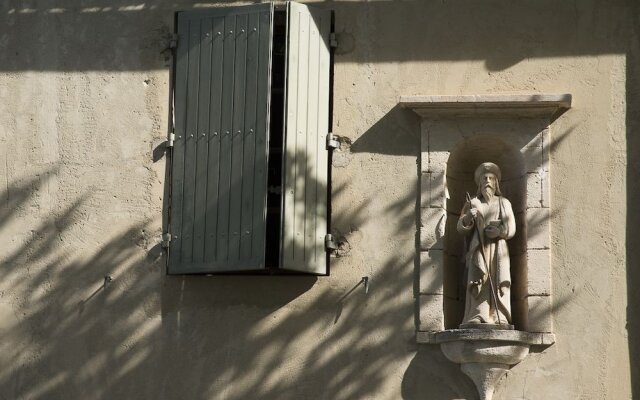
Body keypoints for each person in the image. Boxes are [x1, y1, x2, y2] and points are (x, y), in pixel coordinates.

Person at [457, 162, 516, 326]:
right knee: (479, 277)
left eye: (491, 178)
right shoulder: (473, 203)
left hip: (498, 249)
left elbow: (511, 228)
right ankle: (478, 314)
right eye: (484, 178)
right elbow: (460, 228)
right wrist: (469, 216)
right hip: (479, 247)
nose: (488, 181)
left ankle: (500, 315)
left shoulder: (504, 203)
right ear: (480, 183)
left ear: (496, 182)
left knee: (498, 278)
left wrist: (499, 232)